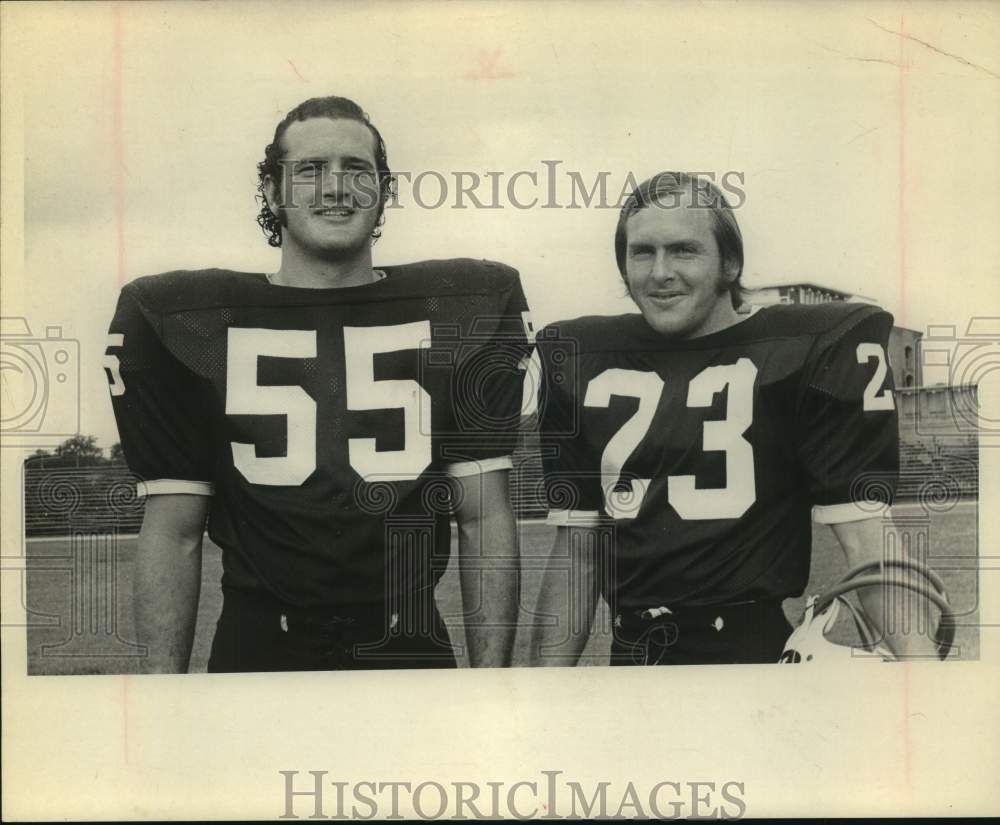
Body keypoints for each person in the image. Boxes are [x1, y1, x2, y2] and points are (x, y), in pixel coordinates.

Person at [105, 96, 531, 672]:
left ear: (383, 190)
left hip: (407, 647)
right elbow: (176, 531)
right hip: (258, 646)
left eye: (357, 169)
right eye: (309, 170)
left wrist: (492, 686)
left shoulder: (466, 307)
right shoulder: (185, 322)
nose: (335, 187)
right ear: (273, 191)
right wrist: (162, 697)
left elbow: (483, 518)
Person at [529, 171, 937, 666]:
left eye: (683, 250)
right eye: (642, 252)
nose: (660, 272)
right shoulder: (579, 358)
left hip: (751, 654)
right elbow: (577, 554)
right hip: (633, 658)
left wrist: (923, 680)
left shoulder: (811, 349)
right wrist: (542, 693)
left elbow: (867, 542)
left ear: (730, 262)